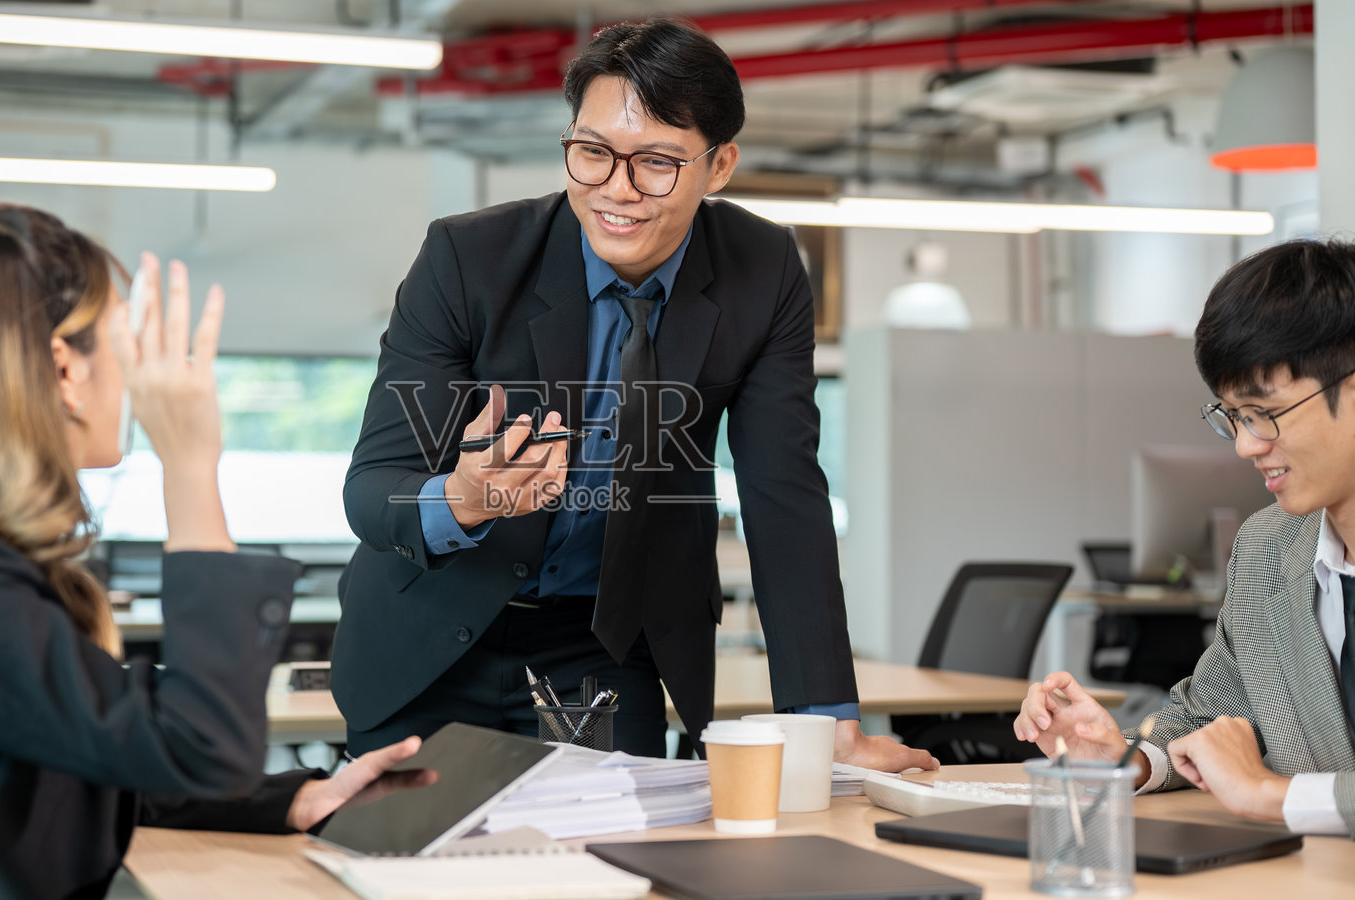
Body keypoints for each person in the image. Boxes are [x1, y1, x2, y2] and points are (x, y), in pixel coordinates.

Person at [333, 19, 933, 771]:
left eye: (656, 162)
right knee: (418, 844)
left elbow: (785, 496)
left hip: (600, 642)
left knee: (614, 840)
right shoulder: (468, 258)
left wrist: (827, 721)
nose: (617, 190)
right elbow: (372, 487)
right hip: (428, 629)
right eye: (592, 152)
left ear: (719, 166)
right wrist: (462, 499)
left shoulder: (763, 269)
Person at [0, 204, 434, 899]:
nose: (136, 378)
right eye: (124, 345)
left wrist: (293, 800)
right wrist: (189, 465)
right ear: (64, 369)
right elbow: (206, 744)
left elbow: (84, 750)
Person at [1014, 238, 1355, 839]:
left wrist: (1271, 795)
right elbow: (1212, 714)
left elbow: (1261, 785)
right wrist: (1125, 758)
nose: (1247, 445)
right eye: (1234, 417)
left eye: (1264, 412)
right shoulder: (1269, 547)